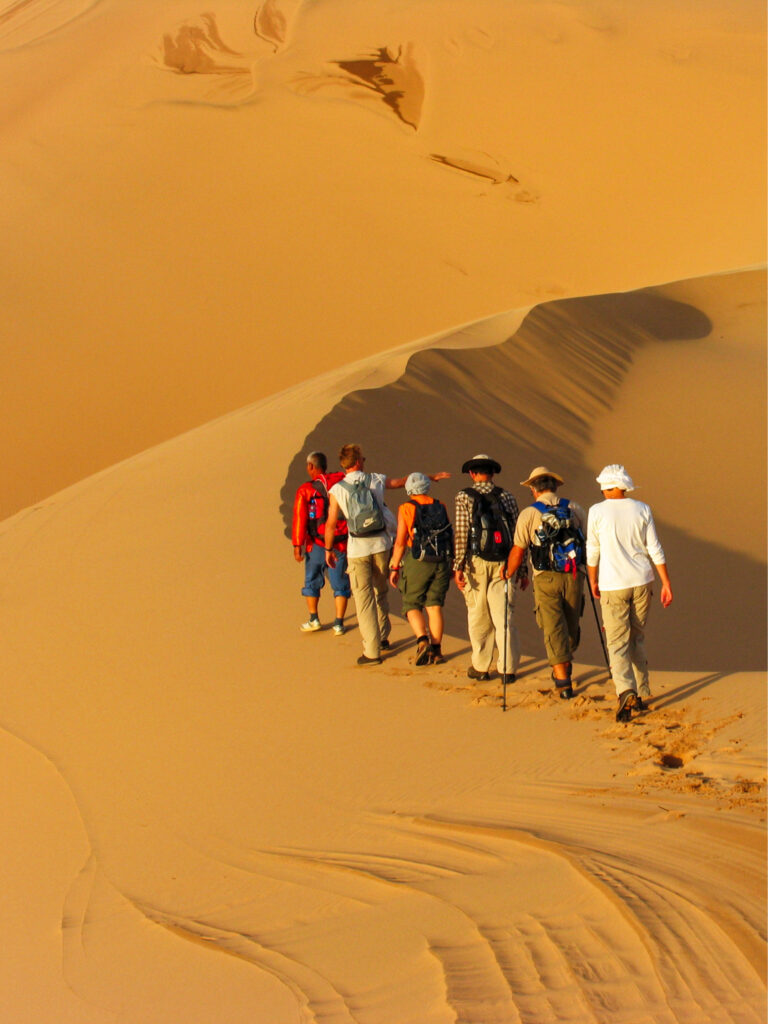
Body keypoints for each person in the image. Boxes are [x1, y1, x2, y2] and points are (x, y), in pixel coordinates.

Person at [324, 445, 449, 666]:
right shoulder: (375, 480)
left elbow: (331, 523)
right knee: (380, 592)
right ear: (359, 462)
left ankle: (372, 652)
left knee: (364, 600)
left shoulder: (336, 490)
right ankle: (382, 637)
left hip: (357, 550)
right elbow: (403, 482)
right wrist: (429, 477)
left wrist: (328, 549)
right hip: (382, 545)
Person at [586, 464, 673, 722]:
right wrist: (666, 582)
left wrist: (593, 580)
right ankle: (642, 692)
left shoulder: (597, 511)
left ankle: (625, 690)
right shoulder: (642, 509)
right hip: (642, 581)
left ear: (607, 486)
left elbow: (593, 549)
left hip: (613, 584)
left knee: (616, 642)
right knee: (637, 637)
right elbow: (654, 548)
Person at [503, 466, 585, 699]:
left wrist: (509, 572)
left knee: (552, 626)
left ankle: (563, 681)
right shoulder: (575, 508)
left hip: (544, 577)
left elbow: (518, 551)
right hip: (573, 575)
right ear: (556, 486)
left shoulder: (529, 514)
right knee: (571, 624)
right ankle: (565, 665)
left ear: (533, 489)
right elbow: (588, 543)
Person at [454, 454, 526, 685]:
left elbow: (462, 534)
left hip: (476, 563)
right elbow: (518, 537)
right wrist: (522, 569)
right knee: (504, 616)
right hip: (505, 564)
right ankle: (508, 669)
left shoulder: (463, 497)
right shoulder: (507, 496)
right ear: (492, 474)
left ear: (472, 474)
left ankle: (481, 666)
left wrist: (458, 566)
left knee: (478, 615)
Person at [388, 473, 453, 666]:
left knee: (411, 604)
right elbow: (449, 534)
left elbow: (400, 542)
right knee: (434, 606)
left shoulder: (406, 508)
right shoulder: (440, 505)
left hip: (418, 560)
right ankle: (437, 651)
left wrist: (394, 566)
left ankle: (422, 641)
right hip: (441, 560)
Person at [291, 451, 350, 634]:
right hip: (340, 543)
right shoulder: (342, 481)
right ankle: (339, 624)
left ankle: (314, 619)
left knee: (311, 581)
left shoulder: (306, 489)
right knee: (340, 583)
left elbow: (300, 519)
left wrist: (297, 545)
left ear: (311, 466)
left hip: (316, 544)